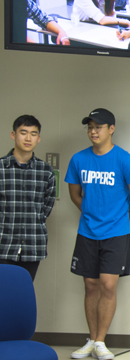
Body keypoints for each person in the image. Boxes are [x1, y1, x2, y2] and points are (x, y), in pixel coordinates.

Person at [65, 109, 130, 360]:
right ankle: (91, 340)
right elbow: (75, 194)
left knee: (108, 286)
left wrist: (121, 222)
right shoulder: (79, 159)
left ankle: (101, 342)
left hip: (116, 234)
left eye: (98, 127)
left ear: (111, 129)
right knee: (90, 286)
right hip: (87, 232)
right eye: (90, 127)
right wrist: (90, 213)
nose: (93, 131)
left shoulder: (124, 159)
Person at [0, 115, 56, 280]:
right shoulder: (1, 168)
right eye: (23, 132)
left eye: (33, 134)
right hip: (3, 244)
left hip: (33, 244)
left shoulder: (45, 171)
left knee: (23, 294)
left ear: (38, 138)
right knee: (3, 295)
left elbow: (46, 207)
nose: (28, 138)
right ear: (13, 135)